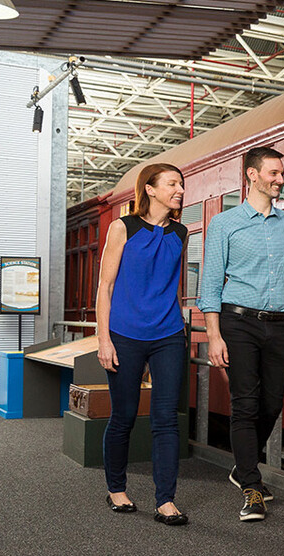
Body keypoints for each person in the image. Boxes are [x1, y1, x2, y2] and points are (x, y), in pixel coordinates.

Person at [198, 146, 284, 522]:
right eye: (274, 173)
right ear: (252, 175)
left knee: (272, 404)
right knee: (245, 404)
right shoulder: (224, 224)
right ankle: (251, 485)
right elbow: (211, 286)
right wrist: (214, 336)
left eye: (281, 173)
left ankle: (241, 467)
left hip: (281, 325)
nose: (281, 179)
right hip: (239, 322)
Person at [96, 162, 190, 527]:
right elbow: (105, 287)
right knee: (124, 415)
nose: (179, 190)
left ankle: (166, 500)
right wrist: (104, 339)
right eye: (172, 184)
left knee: (166, 420)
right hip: (124, 335)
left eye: (181, 184)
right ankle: (116, 489)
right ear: (149, 189)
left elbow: (171, 286)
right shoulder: (123, 228)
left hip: (167, 335)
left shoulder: (181, 233)